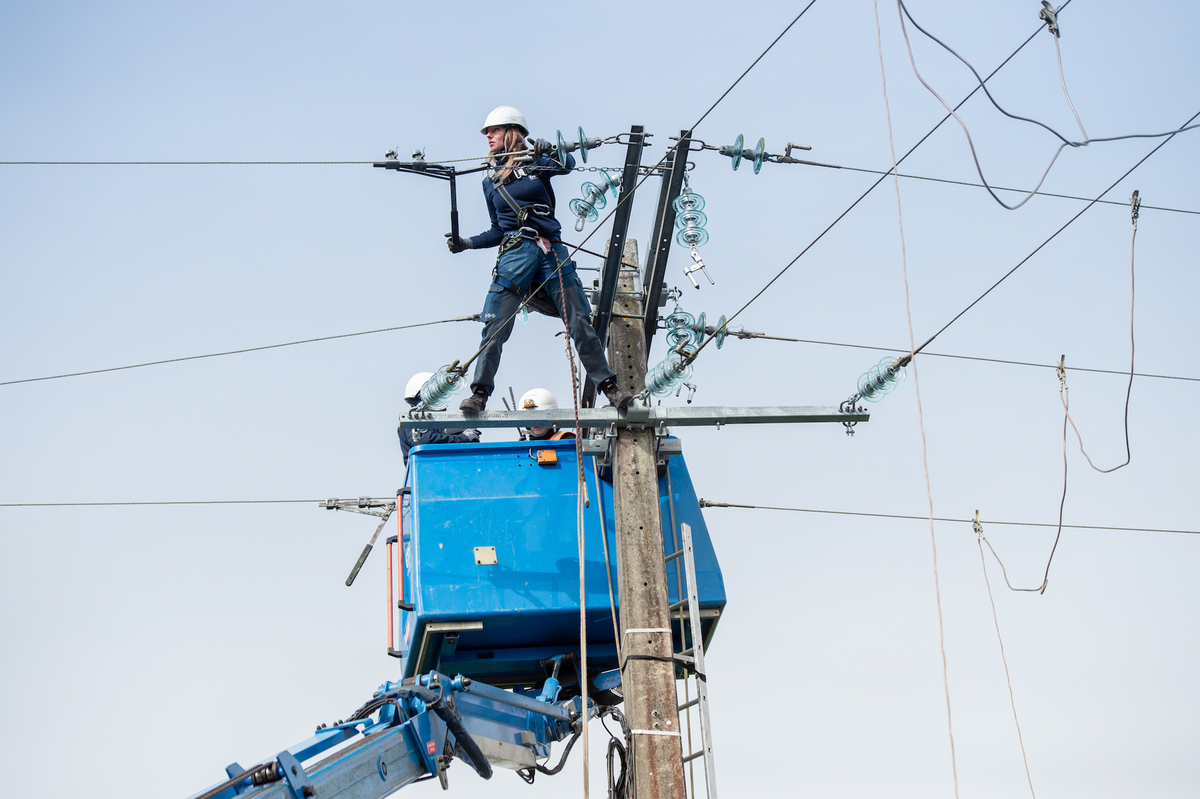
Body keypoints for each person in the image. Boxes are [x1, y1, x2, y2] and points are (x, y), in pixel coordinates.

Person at [445, 105, 634, 414]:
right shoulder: (489, 181)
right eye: (487, 132)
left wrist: (550, 150)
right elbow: (498, 229)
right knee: (494, 326)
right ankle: (479, 394)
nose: (488, 135)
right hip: (515, 254)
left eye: (493, 130)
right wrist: (467, 243)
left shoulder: (536, 164)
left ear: (511, 132)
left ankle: (611, 389)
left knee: (580, 322)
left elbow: (567, 164)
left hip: (550, 253)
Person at [398, 371, 481, 465]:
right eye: (438, 396)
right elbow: (424, 441)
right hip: (427, 470)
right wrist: (463, 438)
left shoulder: (430, 421)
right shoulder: (414, 417)